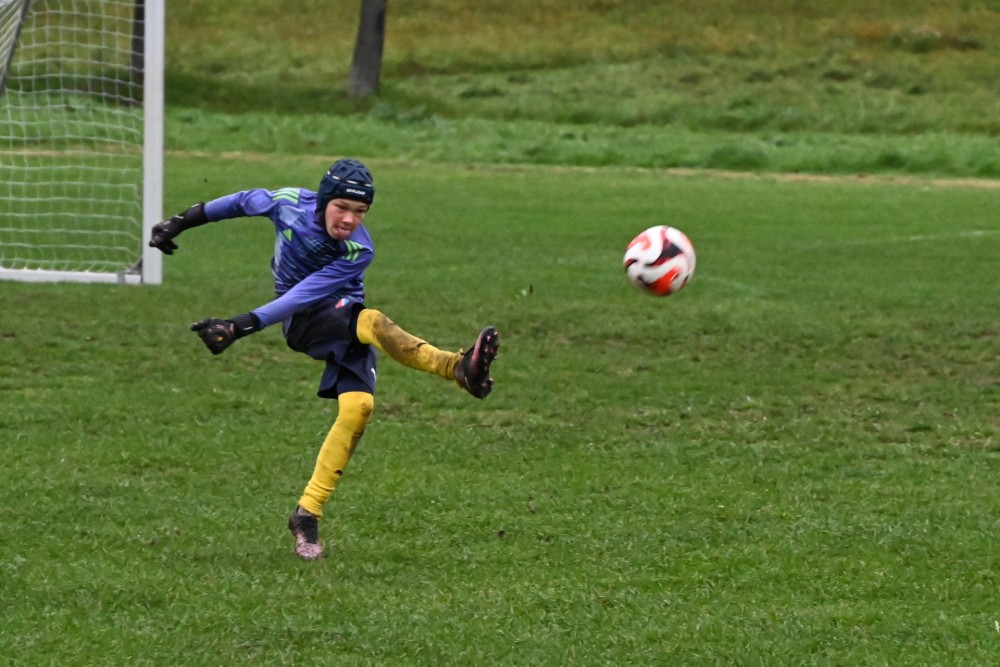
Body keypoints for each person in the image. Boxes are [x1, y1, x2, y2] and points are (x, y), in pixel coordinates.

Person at [149, 158, 500, 560]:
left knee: (358, 407)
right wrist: (179, 222)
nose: (350, 219)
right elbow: (243, 203)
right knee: (371, 320)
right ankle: (456, 367)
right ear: (323, 201)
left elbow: (314, 288)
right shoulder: (288, 204)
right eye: (342, 207)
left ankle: (307, 514)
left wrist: (239, 325)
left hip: (345, 322)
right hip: (306, 322)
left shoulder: (359, 249)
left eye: (360, 211)